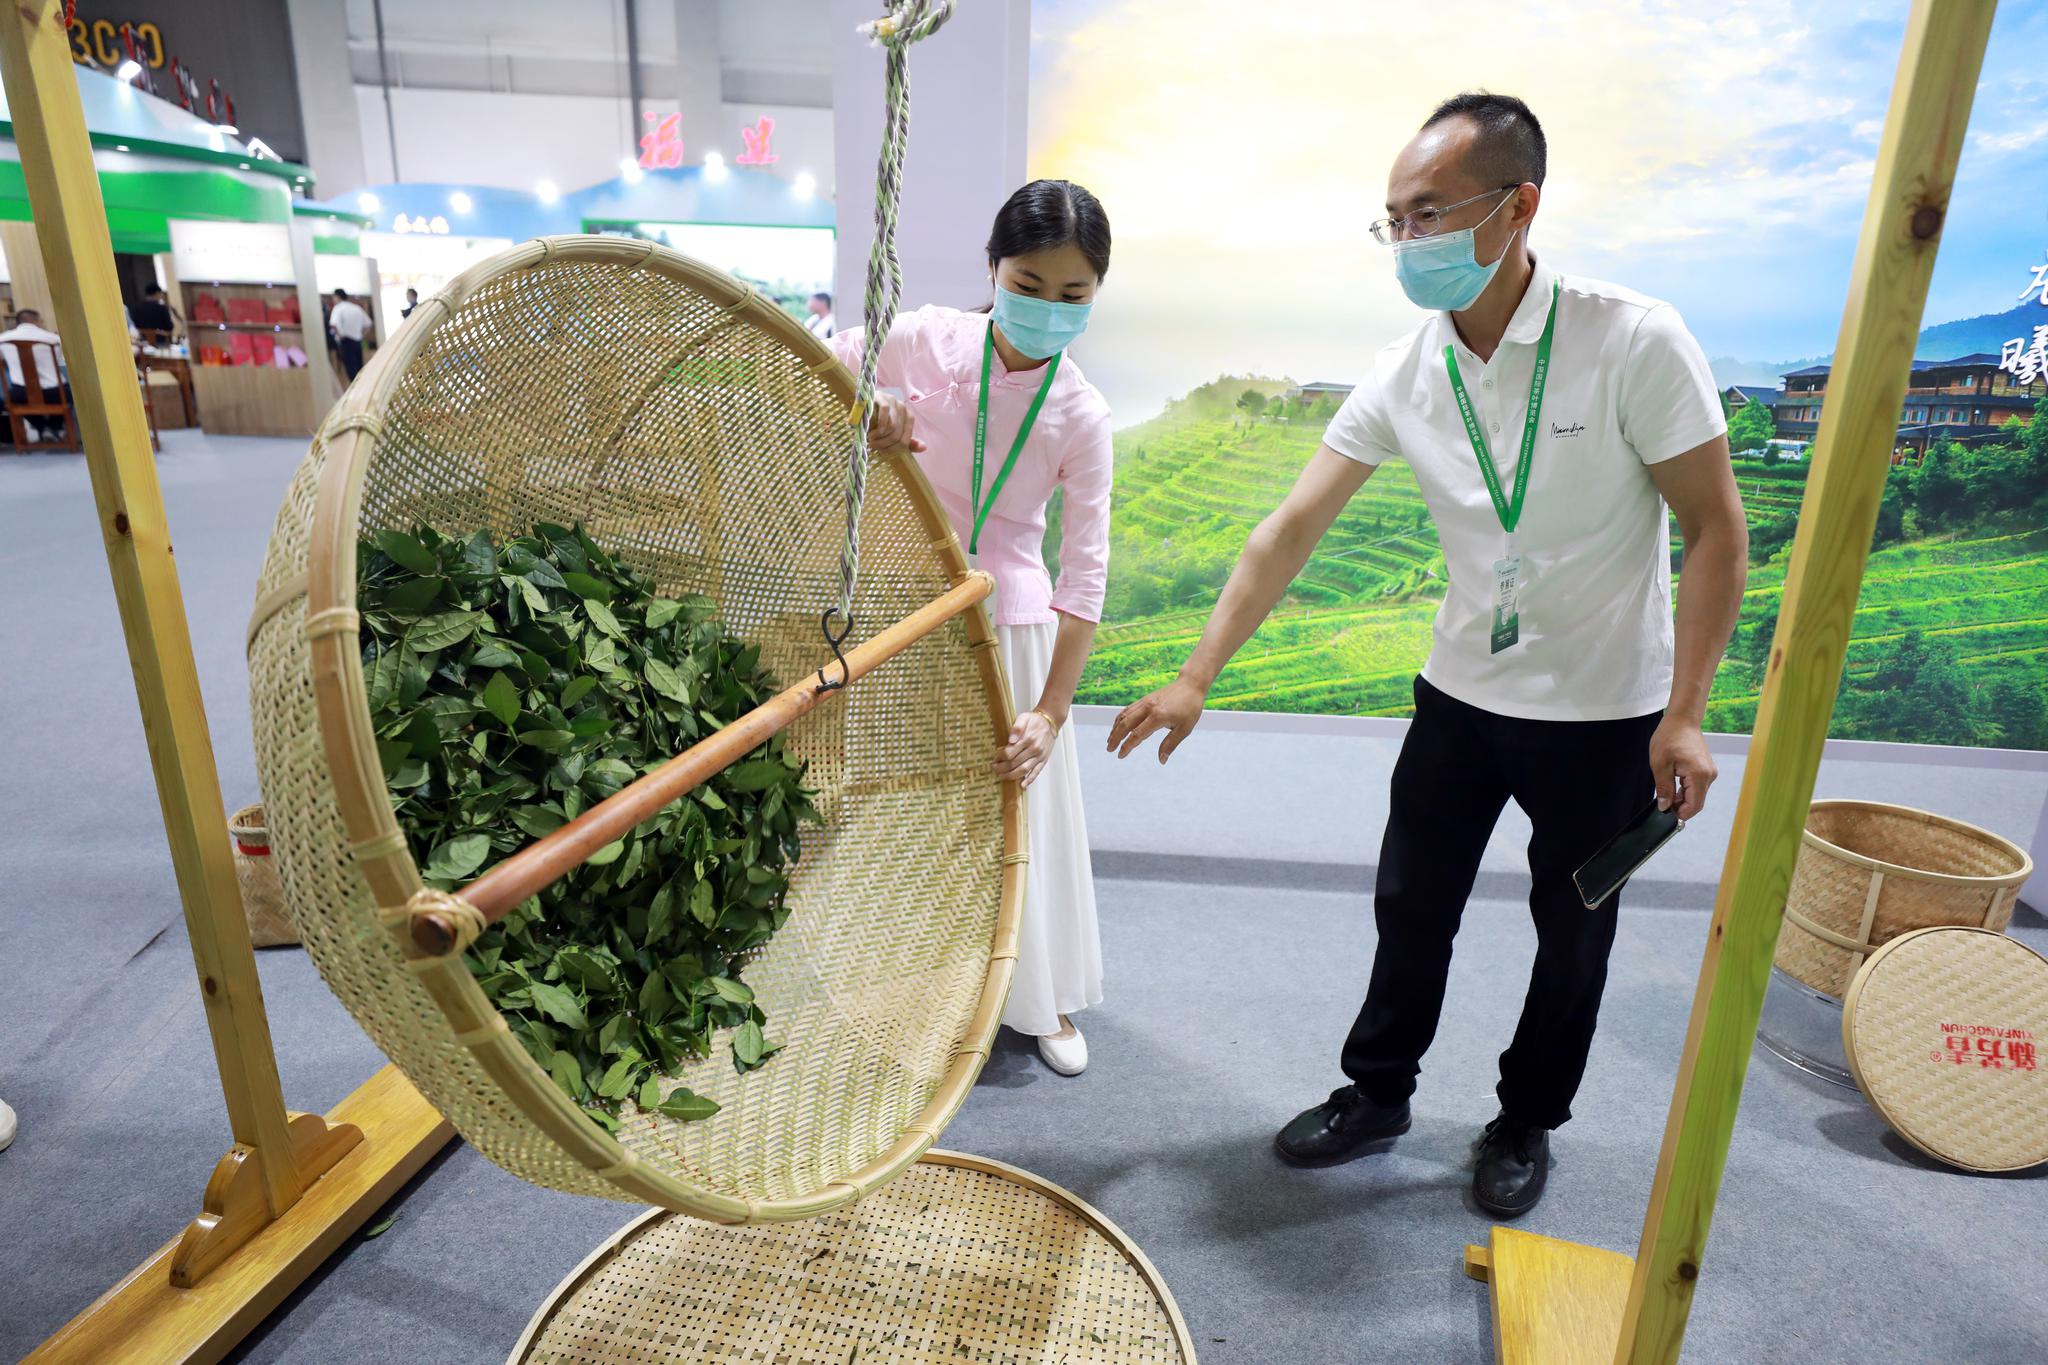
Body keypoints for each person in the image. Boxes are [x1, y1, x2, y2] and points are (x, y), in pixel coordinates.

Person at [1107, 92, 1748, 1217]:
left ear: (1517, 206)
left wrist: (1685, 713)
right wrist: (1195, 674)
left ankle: (1525, 1119)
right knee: (1411, 906)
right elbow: (1289, 529)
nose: (1406, 240)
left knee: (1573, 932)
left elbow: (1714, 529)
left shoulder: (1632, 339)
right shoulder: (1408, 367)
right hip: (1459, 696)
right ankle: (1376, 1092)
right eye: (1393, 219)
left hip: (1604, 711)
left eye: (1428, 214)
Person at [831, 180, 1114, 1076]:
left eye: (1073, 294)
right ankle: (911, 991)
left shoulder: (1082, 413)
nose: (1047, 307)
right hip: (910, 612)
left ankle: (1040, 994)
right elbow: (819, 369)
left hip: (1013, 625)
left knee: (1019, 809)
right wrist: (872, 403)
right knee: (907, 803)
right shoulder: (924, 337)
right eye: (1028, 285)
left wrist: (1053, 711)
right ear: (993, 268)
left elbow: (1086, 575)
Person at [0, 308, 70, 441]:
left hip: (22, 393)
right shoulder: (53, 339)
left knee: (8, 400)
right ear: (36, 321)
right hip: (55, 393)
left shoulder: (3, 339)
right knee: (68, 394)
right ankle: (55, 427)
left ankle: (41, 427)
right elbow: (60, 359)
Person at [328, 288, 372, 381]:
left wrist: (340, 335)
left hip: (346, 341)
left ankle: (356, 389)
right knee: (359, 369)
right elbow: (369, 324)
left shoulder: (338, 308)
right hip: (357, 341)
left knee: (351, 370)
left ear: (337, 297)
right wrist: (361, 336)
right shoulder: (356, 308)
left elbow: (333, 325)